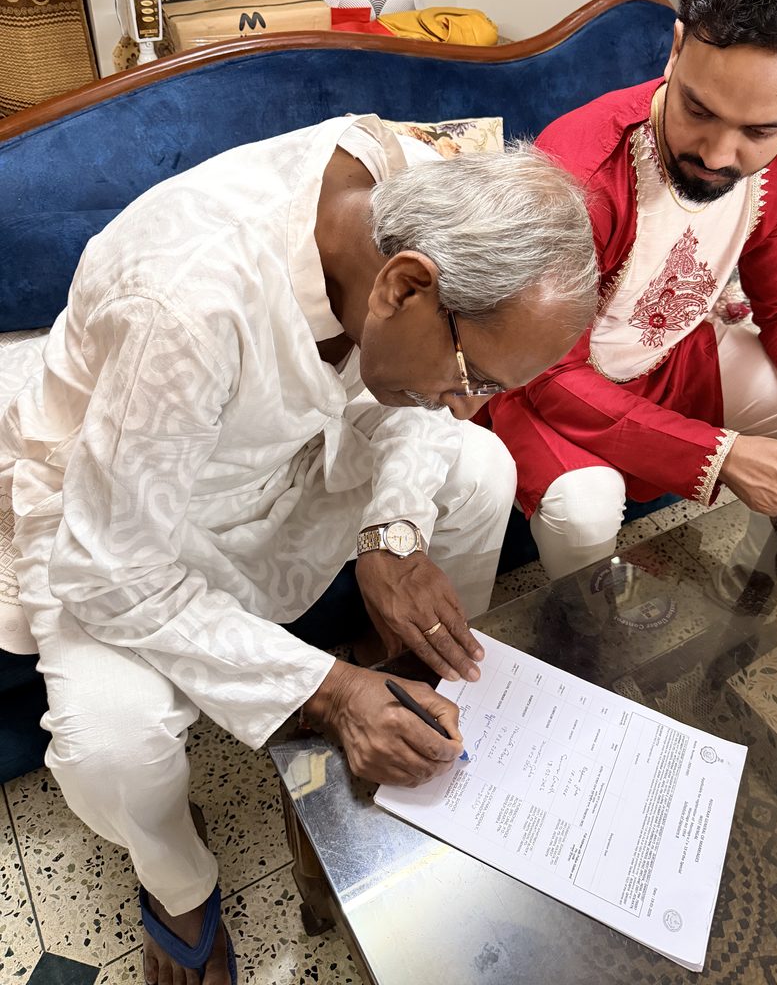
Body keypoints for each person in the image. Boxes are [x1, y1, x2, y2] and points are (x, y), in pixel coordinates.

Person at [0, 115, 598, 985]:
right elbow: (113, 569)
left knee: (481, 465)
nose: (465, 401)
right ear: (403, 289)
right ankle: (180, 883)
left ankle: (402, 686)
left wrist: (392, 535)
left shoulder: (427, 180)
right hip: (124, 506)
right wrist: (329, 696)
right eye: (472, 377)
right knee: (111, 742)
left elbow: (419, 414)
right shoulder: (187, 305)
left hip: (285, 454)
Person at [488, 0, 777, 588]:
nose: (716, 154)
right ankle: (586, 655)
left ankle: (750, 610)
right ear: (677, 48)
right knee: (582, 511)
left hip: (674, 351)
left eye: (760, 129)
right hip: (544, 381)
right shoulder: (580, 172)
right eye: (699, 111)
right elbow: (543, 372)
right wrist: (720, 455)